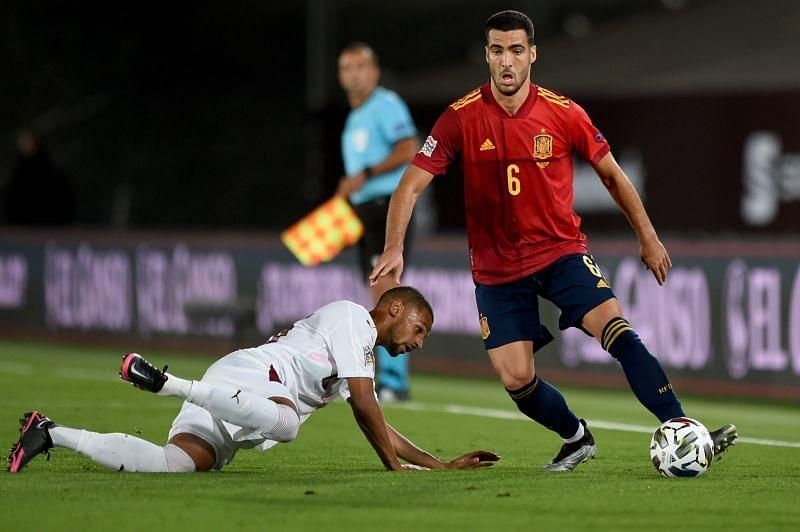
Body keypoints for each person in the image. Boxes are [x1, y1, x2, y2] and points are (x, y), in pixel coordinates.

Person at [369, 11, 737, 472]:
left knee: (617, 329)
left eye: (516, 51)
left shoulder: (563, 113)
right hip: (497, 270)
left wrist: (648, 237)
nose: (507, 62)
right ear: (487, 55)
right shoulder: (459, 119)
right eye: (498, 51)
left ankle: (682, 428)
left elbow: (612, 176)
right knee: (516, 377)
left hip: (560, 252)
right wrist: (394, 247)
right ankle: (576, 437)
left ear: (532, 55)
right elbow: (409, 187)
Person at [8, 287, 499, 474]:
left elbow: (377, 423)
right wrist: (397, 471)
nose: (420, 341)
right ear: (395, 310)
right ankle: (168, 383)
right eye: (420, 328)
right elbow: (367, 407)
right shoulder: (355, 319)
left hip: (238, 396)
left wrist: (437, 466)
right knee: (288, 426)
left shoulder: (359, 343)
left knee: (174, 465)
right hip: (253, 380)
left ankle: (51, 432)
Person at [336, 42, 419, 402]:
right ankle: (384, 375)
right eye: (345, 68)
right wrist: (349, 189)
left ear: (374, 71)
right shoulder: (356, 115)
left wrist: (366, 174)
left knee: (387, 291)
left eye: (359, 66)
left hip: (387, 205)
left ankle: (394, 380)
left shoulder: (385, 104)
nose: (352, 74)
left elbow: (408, 148)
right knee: (377, 291)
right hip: (365, 208)